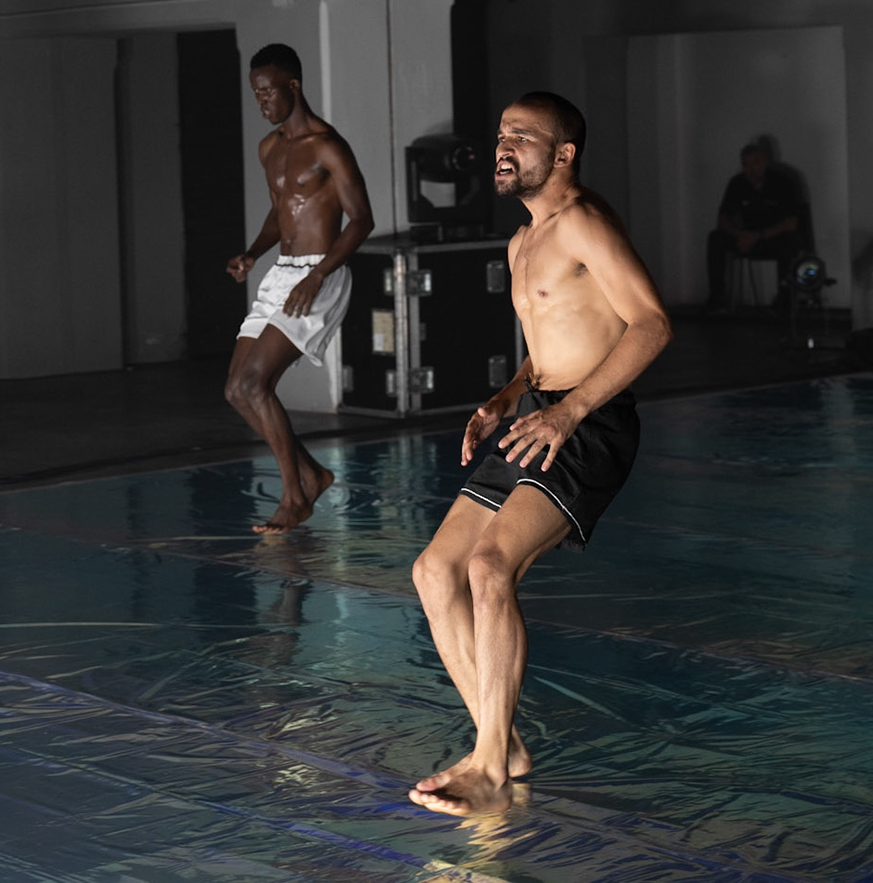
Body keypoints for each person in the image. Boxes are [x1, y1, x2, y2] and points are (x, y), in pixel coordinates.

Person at [409, 91, 671, 817]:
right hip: (541, 415)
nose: (504, 145)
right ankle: (505, 745)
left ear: (563, 155)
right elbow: (551, 343)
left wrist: (571, 410)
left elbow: (651, 325)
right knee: (434, 571)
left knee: (490, 566)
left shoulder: (585, 221)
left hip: (592, 421)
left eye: (522, 137)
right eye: (502, 134)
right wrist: (508, 394)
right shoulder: (521, 242)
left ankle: (490, 767)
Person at [224, 43, 373, 532]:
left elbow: (361, 220)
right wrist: (253, 252)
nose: (262, 101)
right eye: (256, 93)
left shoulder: (328, 146)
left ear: (293, 86)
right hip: (282, 272)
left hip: (320, 274)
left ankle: (295, 497)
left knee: (255, 383)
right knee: (236, 390)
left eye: (268, 91)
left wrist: (318, 274)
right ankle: (312, 474)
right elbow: (281, 209)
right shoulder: (269, 148)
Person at [704, 142, 806, 311]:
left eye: (755, 163)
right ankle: (717, 297)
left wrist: (759, 235)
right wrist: (740, 234)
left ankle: (785, 297)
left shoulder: (783, 182)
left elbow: (791, 223)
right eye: (745, 164)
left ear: (765, 162)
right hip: (745, 238)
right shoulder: (737, 183)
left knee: (790, 241)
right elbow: (723, 219)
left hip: (772, 237)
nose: (750, 170)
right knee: (715, 238)